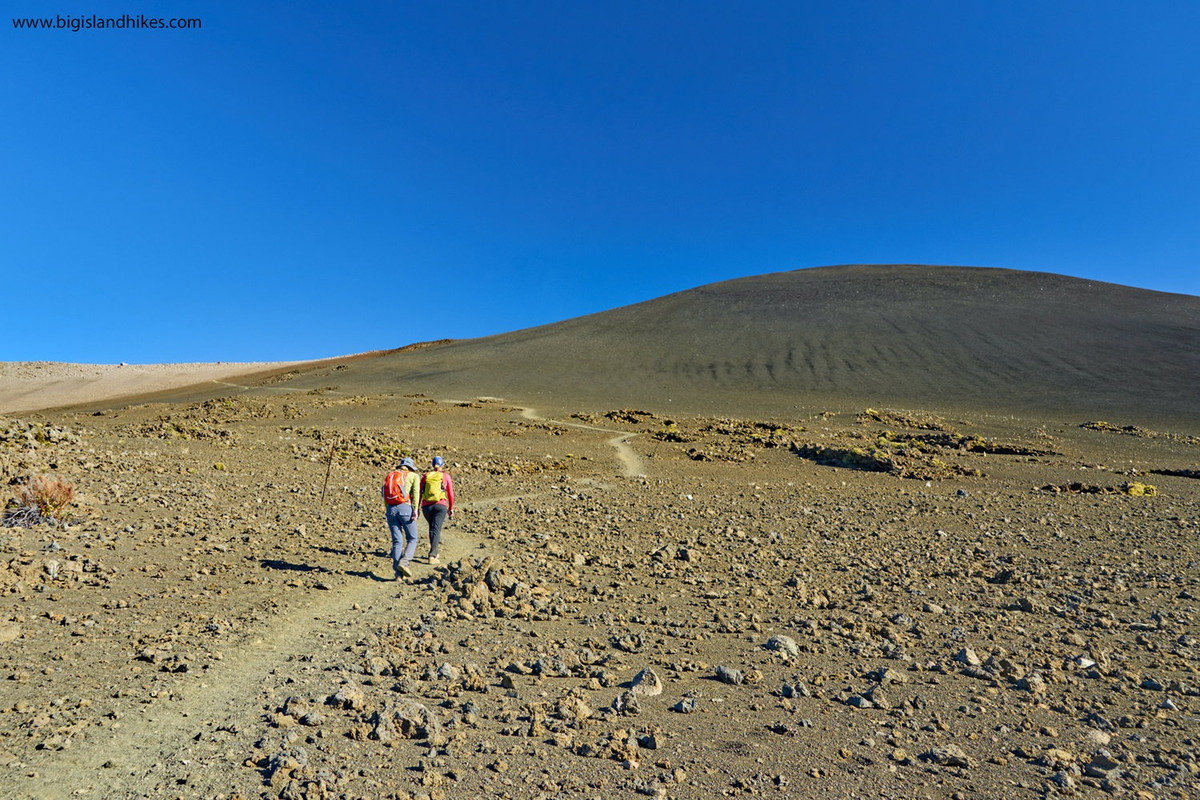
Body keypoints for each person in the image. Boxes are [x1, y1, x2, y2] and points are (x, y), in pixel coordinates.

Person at [381, 457, 420, 579]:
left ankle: (398, 574)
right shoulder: (413, 476)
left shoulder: (391, 475)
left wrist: (388, 509)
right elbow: (416, 493)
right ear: (410, 467)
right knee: (413, 538)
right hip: (405, 508)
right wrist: (415, 509)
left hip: (390, 509)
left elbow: (383, 493)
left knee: (397, 541)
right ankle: (404, 562)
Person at [420, 455, 455, 564]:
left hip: (426, 506)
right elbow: (451, 494)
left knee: (432, 528)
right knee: (436, 529)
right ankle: (433, 555)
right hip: (440, 505)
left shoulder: (425, 476)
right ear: (442, 465)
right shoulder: (445, 476)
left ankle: (434, 551)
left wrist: (416, 508)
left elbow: (420, 492)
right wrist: (451, 507)